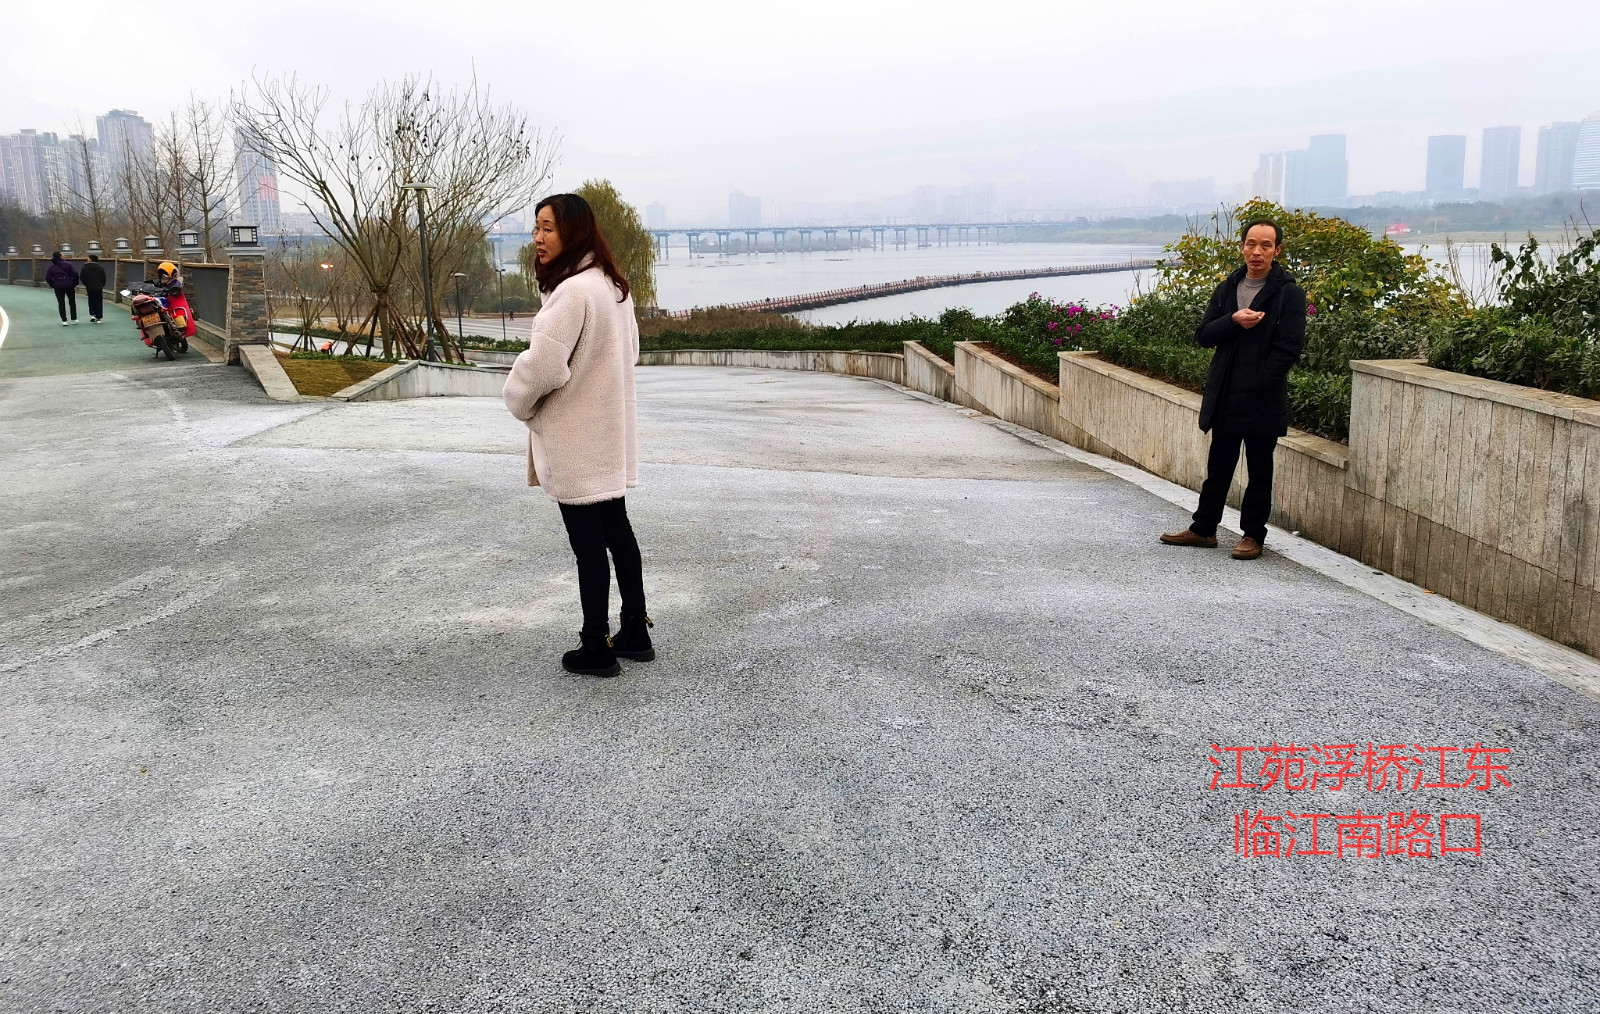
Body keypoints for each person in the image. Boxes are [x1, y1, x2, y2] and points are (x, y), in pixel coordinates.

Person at [502, 193, 653, 677]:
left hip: (576, 437)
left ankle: (596, 647)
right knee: (618, 533)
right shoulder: (612, 286)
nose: (538, 238)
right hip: (608, 433)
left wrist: (516, 399)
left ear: (574, 231)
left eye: (548, 228)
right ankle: (635, 631)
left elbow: (543, 366)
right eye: (536, 228)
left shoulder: (572, 292)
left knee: (588, 546)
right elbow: (630, 353)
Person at [1160, 219, 1307, 560]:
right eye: (1251, 244)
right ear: (1242, 247)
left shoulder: (1289, 293)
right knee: (1218, 467)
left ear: (1277, 250)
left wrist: (1261, 383)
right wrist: (1233, 320)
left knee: (1259, 471)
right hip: (1226, 393)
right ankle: (1203, 529)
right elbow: (1204, 335)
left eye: (1265, 245)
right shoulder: (1228, 287)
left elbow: (1289, 347)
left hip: (1263, 398)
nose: (1257, 251)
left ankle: (1253, 536)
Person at [44, 252, 79, 326]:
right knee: (72, 302)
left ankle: (64, 320)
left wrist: (53, 284)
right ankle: (73, 319)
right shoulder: (68, 264)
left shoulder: (52, 267)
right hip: (69, 285)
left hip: (58, 286)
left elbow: (48, 277)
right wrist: (74, 283)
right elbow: (75, 274)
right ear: (60, 256)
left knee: (61, 303)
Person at [80, 253, 107, 323]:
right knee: (98, 301)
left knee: (91, 300)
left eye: (88, 258)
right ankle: (99, 317)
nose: (87, 259)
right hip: (98, 287)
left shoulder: (85, 268)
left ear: (91, 259)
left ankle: (93, 315)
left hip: (89, 287)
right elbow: (103, 278)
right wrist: (101, 285)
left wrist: (86, 284)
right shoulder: (100, 268)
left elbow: (82, 277)